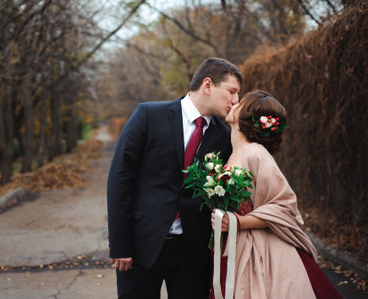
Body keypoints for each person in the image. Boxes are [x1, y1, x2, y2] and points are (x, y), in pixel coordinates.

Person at [107, 57, 242, 299]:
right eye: (232, 91)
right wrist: (120, 244)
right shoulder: (148, 115)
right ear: (208, 85)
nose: (236, 101)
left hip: (194, 254)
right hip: (141, 246)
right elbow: (120, 179)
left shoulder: (225, 137)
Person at [211, 90, 342, 298]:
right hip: (237, 245)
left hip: (260, 251)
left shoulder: (256, 153)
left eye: (241, 101)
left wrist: (239, 222)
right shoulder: (234, 153)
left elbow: (285, 205)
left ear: (247, 115)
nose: (234, 102)